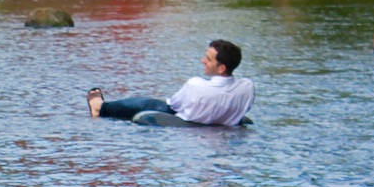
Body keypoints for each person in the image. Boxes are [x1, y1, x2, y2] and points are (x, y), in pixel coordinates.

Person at [88, 39, 254, 127]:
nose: (203, 61)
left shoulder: (196, 85)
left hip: (187, 120)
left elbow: (174, 105)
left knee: (150, 103)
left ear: (221, 68)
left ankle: (100, 107)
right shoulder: (247, 87)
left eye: (208, 59)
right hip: (221, 121)